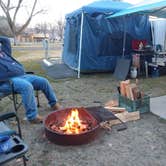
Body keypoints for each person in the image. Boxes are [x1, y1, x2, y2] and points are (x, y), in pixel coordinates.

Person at [0, 36, 61, 124]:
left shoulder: (4, 52)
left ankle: (54, 104)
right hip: (6, 82)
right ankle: (32, 117)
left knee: (43, 81)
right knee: (26, 86)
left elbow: (5, 40)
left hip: (23, 76)